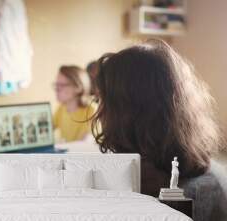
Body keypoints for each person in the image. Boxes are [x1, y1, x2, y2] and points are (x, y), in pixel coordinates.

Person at [91, 39, 222, 197]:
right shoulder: (190, 167)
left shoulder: (149, 187)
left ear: (128, 110)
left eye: (102, 100)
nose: (99, 110)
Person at [53, 65, 97, 142]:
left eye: (62, 85)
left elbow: (86, 143)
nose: (56, 89)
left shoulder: (92, 110)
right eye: (56, 85)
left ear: (78, 87)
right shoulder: (61, 108)